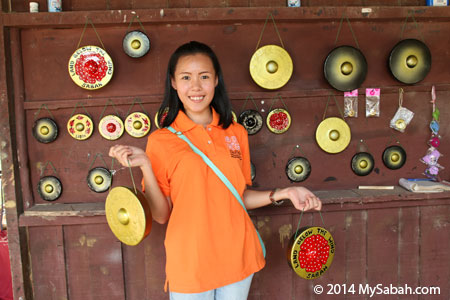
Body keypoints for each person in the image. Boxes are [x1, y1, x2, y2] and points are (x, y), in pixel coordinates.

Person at [109, 41, 322, 300]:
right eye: (186, 77)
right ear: (174, 83)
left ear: (216, 80)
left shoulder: (236, 132)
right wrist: (145, 166)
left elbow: (238, 196)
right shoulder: (161, 141)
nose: (196, 87)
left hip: (237, 254)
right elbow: (162, 215)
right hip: (190, 261)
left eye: (204, 77)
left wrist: (285, 192)